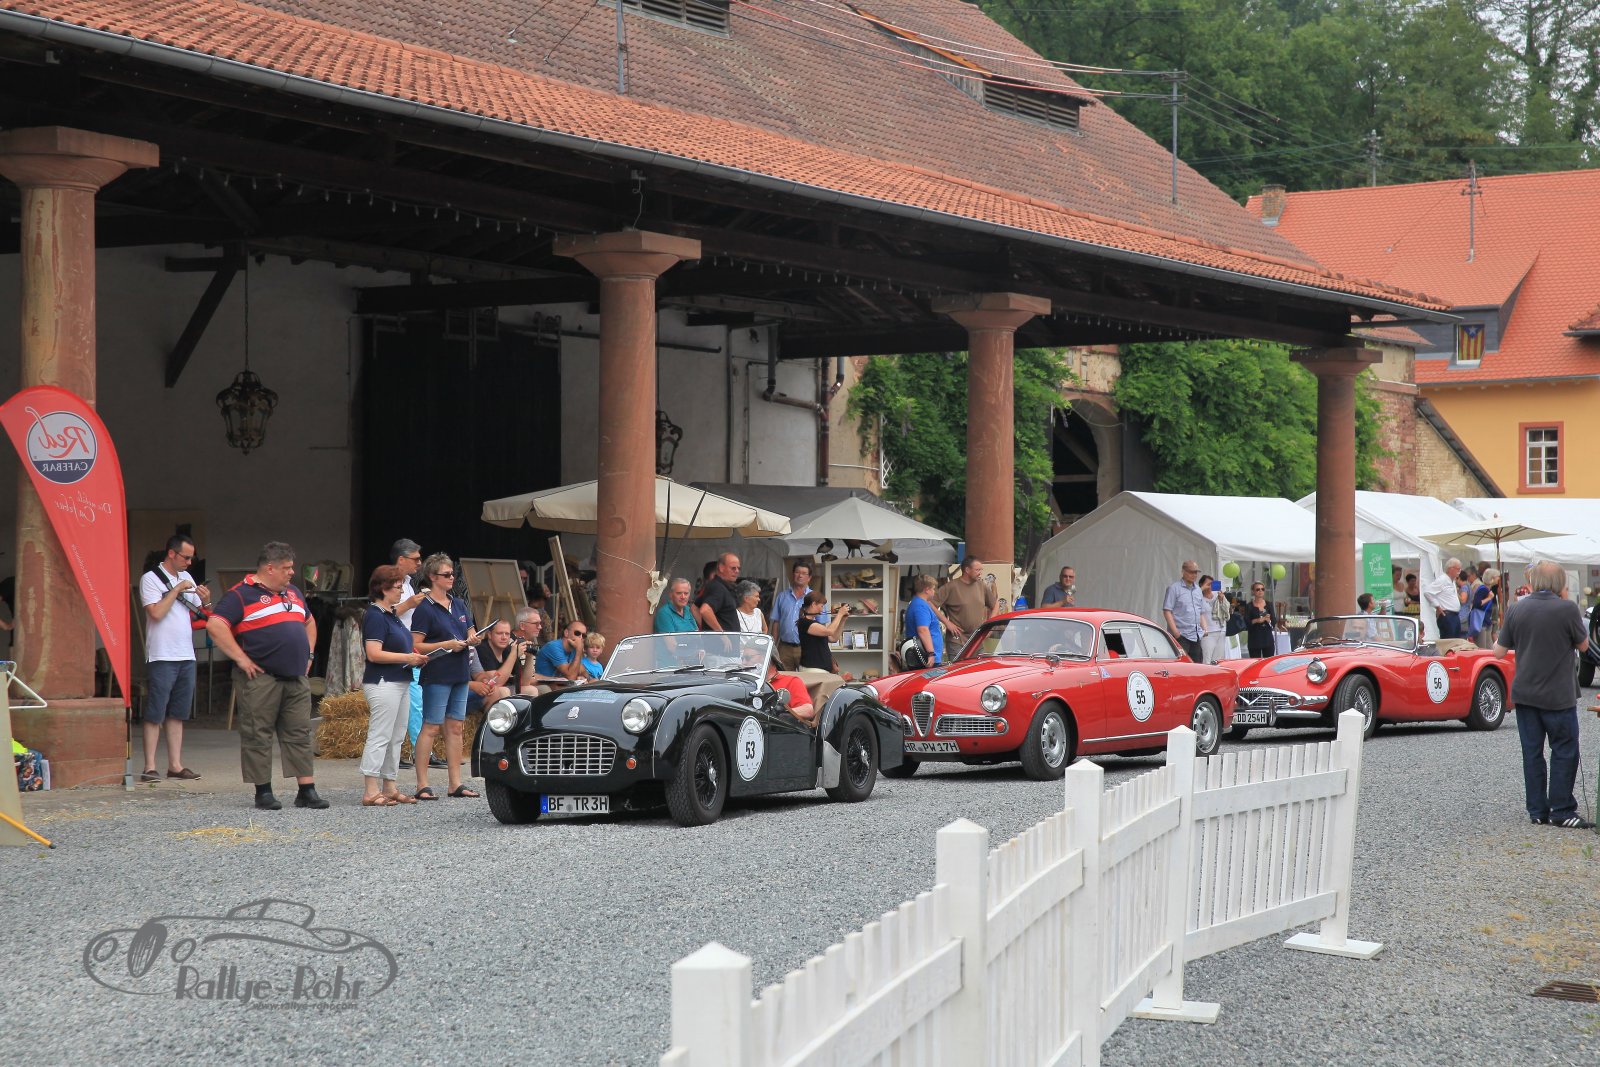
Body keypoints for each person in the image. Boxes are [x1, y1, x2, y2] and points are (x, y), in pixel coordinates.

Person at [206, 541, 326, 811]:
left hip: (295, 676)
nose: (292, 572)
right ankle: (263, 791)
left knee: (299, 732)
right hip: (261, 678)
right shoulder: (240, 595)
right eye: (287, 568)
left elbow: (309, 622)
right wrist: (240, 658)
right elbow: (216, 625)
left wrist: (309, 654)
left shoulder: (293, 592)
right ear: (269, 568)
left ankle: (306, 790)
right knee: (257, 734)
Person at [1493, 561, 1593, 829]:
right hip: (1558, 694)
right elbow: (1584, 645)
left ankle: (1537, 810)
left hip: (1525, 694)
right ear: (1560, 583)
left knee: (1532, 752)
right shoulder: (1567, 609)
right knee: (1564, 750)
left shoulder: (1516, 609)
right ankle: (1562, 809)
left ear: (1533, 581)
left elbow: (1498, 652)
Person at [409, 553, 483, 800]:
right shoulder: (424, 608)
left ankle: (455, 783)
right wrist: (447, 644)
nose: (452, 578)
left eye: (453, 574)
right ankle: (422, 784)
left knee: (456, 727)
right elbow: (415, 644)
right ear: (432, 577)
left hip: (460, 671)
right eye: (447, 574)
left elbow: (471, 631)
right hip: (438, 673)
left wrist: (473, 639)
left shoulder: (459, 604)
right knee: (431, 726)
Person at [139, 534, 209, 783]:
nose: (189, 563)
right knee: (155, 711)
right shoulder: (150, 579)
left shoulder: (187, 576)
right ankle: (149, 767)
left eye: (191, 558)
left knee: (178, 712)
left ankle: (175, 765)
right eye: (186, 557)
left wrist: (206, 600)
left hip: (186, 653)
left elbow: (200, 614)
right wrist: (177, 589)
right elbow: (156, 613)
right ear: (171, 553)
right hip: (161, 654)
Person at [358, 565, 428, 806]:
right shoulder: (375, 615)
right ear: (383, 588)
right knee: (380, 734)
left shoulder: (390, 614)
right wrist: (408, 657)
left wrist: (412, 656)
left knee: (396, 736)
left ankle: (389, 785)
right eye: (397, 587)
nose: (401, 591)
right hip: (383, 681)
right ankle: (370, 789)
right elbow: (373, 653)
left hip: (400, 680)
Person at [389, 538, 441, 772]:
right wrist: (409, 604)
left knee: (410, 703)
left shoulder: (408, 583)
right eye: (416, 559)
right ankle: (421, 751)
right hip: (397, 651)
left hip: (408, 649)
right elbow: (382, 613)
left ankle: (413, 751)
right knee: (411, 703)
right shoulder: (390, 582)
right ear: (401, 559)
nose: (419, 563)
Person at [769, 562, 819, 669]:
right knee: (784, 676)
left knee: (807, 677)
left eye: (804, 573)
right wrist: (773, 647)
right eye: (797, 572)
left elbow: (822, 624)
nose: (800, 575)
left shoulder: (815, 598)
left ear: (809, 577)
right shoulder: (782, 596)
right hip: (784, 648)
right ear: (793, 575)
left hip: (807, 647)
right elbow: (776, 623)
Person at [933, 557, 996, 642]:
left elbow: (995, 604)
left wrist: (990, 625)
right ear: (967, 570)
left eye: (981, 570)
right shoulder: (951, 587)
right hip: (957, 640)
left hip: (977, 639)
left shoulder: (981, 585)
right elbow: (930, 603)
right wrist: (947, 623)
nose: (980, 573)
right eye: (977, 570)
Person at [466, 620, 517, 713]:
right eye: (499, 633)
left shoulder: (471, 648)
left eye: (507, 634)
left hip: (467, 690)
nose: (504, 637)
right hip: (452, 694)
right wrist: (472, 685)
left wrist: (484, 681)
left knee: (530, 690)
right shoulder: (481, 648)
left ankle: (499, 721)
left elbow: (479, 674)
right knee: (502, 691)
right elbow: (444, 682)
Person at [1162, 560, 1207, 662]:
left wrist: (1205, 629)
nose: (1194, 575)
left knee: (1197, 666)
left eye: (1196, 572)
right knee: (1180, 666)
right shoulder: (1174, 588)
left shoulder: (1198, 590)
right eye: (1191, 572)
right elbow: (1167, 611)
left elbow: (1200, 612)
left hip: (1196, 635)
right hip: (1181, 636)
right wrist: (1176, 633)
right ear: (1183, 571)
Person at [798, 591, 851, 671]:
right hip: (812, 668)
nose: (822, 609)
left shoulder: (814, 623)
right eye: (821, 606)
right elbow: (829, 631)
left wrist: (842, 620)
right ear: (813, 604)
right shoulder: (805, 623)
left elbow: (833, 638)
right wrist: (840, 614)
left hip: (820, 668)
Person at [904, 575, 944, 666]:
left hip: (922, 654)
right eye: (933, 589)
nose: (934, 591)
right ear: (927, 590)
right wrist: (930, 653)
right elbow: (923, 629)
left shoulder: (917, 603)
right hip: (925, 656)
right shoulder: (920, 606)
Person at [536, 619, 590, 685]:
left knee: (595, 681)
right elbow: (571, 677)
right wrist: (579, 651)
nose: (581, 637)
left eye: (584, 636)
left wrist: (582, 677)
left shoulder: (574, 649)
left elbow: (584, 672)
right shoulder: (554, 647)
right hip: (545, 686)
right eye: (577, 633)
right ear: (566, 633)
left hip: (561, 686)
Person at [697, 553, 741, 632]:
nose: (737, 571)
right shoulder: (718, 587)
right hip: (719, 639)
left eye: (738, 568)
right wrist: (721, 634)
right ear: (721, 568)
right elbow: (705, 610)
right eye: (733, 568)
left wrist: (705, 627)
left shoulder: (719, 586)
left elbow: (694, 607)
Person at [765, 657, 816, 726]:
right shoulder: (750, 685)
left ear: (770, 660)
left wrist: (779, 713)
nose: (745, 662)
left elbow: (808, 710)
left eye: (750, 657)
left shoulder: (791, 681)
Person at [1423, 558, 1465, 639]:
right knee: (1449, 640)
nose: (1459, 572)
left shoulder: (1452, 581)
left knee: (1456, 640)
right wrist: (1437, 606)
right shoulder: (1442, 580)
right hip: (1447, 614)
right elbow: (1427, 592)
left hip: (1454, 615)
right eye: (1458, 569)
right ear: (1451, 569)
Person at [1243, 581, 1277, 659]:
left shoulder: (1269, 604)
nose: (1260, 591)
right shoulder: (1249, 606)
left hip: (1267, 638)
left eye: (1262, 589)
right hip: (1255, 638)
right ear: (1253, 591)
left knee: (1268, 662)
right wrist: (1257, 620)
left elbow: (1274, 621)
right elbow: (1246, 622)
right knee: (1255, 662)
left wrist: (1269, 620)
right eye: (1258, 589)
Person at [1473, 568, 1501, 649]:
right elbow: (1476, 604)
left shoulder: (1487, 589)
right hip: (1481, 623)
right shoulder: (1482, 589)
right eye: (1497, 577)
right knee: (1483, 648)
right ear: (1492, 578)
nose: (1498, 579)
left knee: (1488, 648)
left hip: (1486, 622)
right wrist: (1489, 598)